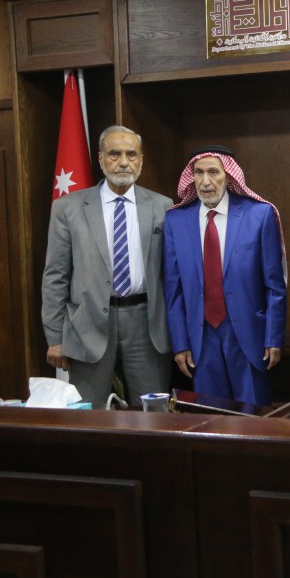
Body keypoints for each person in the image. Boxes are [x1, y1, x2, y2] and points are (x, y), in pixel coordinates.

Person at [41, 125, 173, 407]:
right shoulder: (68, 208)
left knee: (153, 413)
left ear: (141, 159)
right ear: (100, 158)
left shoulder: (163, 207)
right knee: (89, 413)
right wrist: (55, 338)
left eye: (131, 154)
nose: (124, 162)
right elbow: (55, 277)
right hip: (87, 325)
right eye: (115, 154)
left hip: (146, 324)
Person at [163, 146, 286, 406]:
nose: (205, 181)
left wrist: (273, 337)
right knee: (209, 415)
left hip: (249, 333)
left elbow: (274, 285)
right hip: (200, 336)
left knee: (253, 414)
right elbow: (173, 289)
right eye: (198, 173)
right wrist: (180, 343)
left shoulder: (259, 215)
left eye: (213, 172)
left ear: (228, 176)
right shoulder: (176, 220)